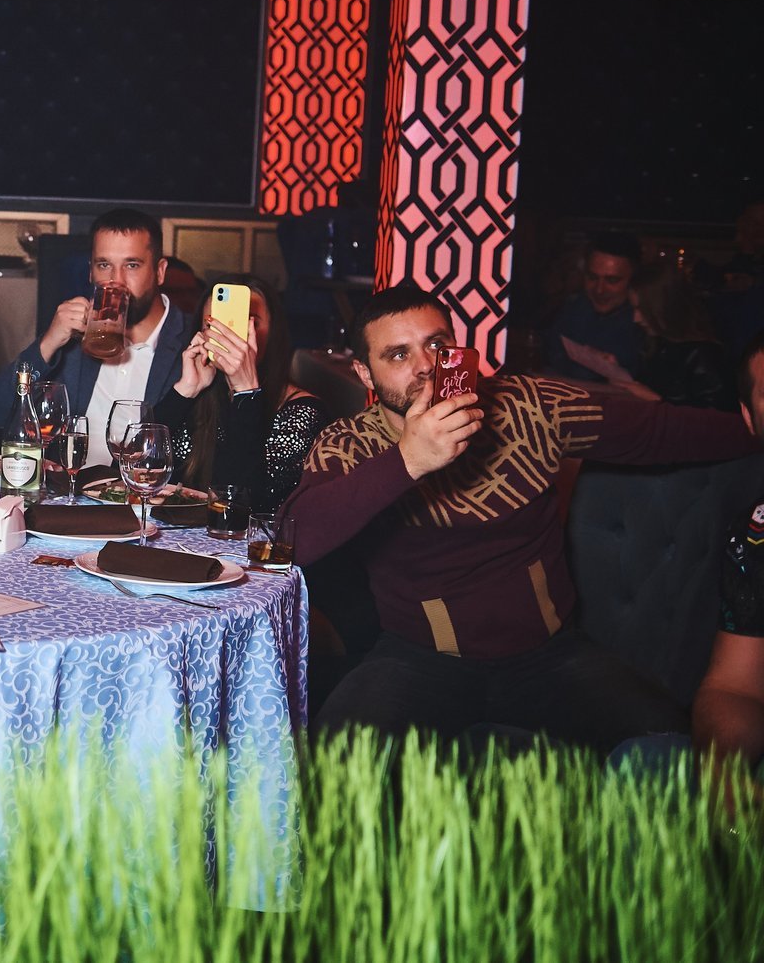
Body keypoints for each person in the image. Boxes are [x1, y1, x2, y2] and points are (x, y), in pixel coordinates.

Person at [281, 284, 758, 750]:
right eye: (398, 355)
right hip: (418, 659)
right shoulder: (350, 443)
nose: (425, 365)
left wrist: (754, 429)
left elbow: (658, 431)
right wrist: (408, 460)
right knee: (334, 764)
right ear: (365, 374)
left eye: (437, 345)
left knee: (668, 746)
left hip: (550, 657)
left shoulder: (527, 406)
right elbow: (293, 539)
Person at [0, 206, 195, 467]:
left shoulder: (191, 343)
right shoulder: (71, 339)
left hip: (145, 491)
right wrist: (48, 344)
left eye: (132, 265)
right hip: (68, 489)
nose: (116, 281)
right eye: (104, 265)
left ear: (159, 271)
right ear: (91, 272)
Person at [153, 275, 331, 511]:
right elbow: (132, 472)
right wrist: (185, 390)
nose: (232, 337)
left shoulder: (303, 413)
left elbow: (239, 506)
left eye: (247, 323)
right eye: (215, 325)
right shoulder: (201, 396)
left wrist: (247, 393)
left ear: (273, 331)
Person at [691, 330, 764, 793]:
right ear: (750, 418)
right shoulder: (753, 536)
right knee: (635, 765)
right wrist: (724, 774)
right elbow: (735, 687)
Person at [561, 261, 735, 410]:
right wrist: (616, 372)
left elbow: (716, 424)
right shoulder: (655, 344)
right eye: (634, 308)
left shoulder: (704, 355)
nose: (636, 318)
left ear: (665, 307)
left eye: (643, 310)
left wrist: (656, 401)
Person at [539, 232, 642, 382]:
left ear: (634, 281)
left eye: (612, 280)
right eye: (592, 278)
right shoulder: (575, 308)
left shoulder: (644, 325)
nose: (599, 290)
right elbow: (549, 352)